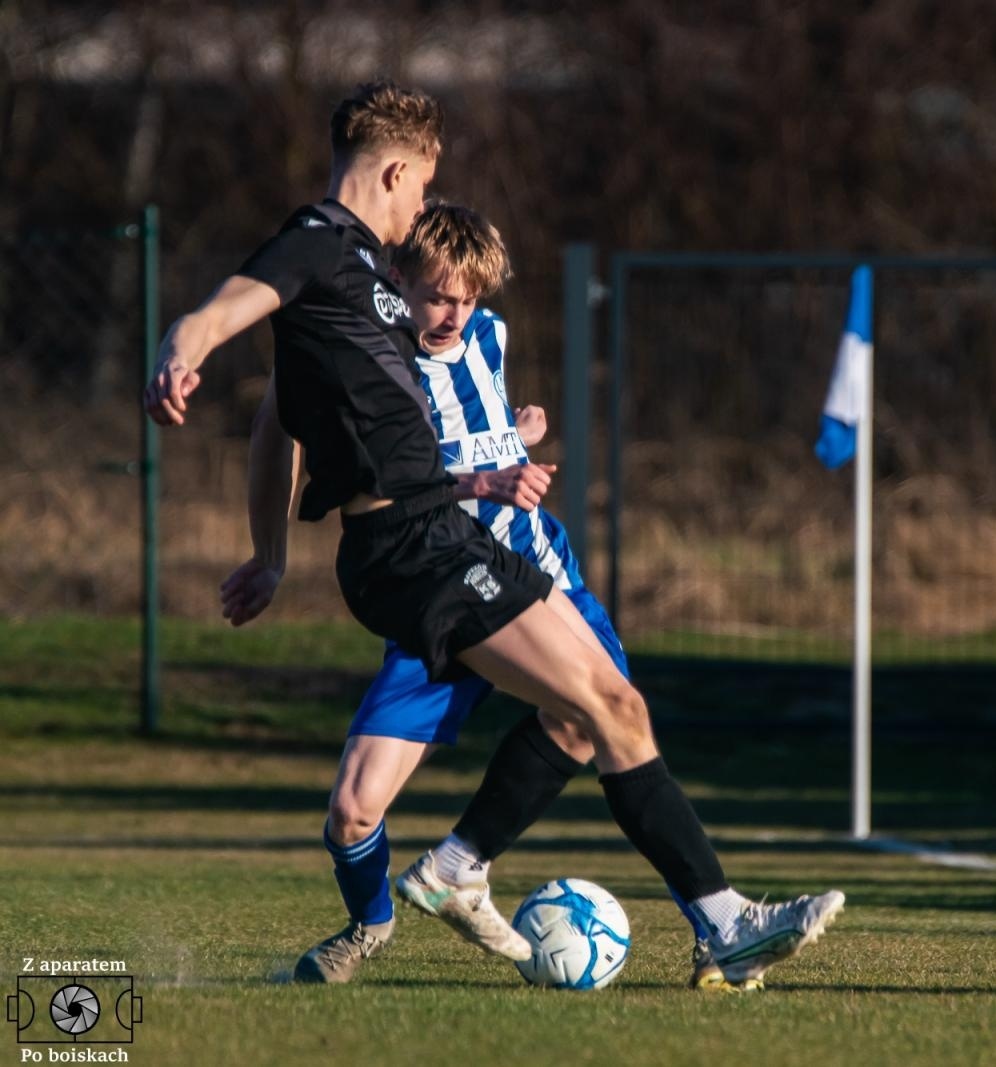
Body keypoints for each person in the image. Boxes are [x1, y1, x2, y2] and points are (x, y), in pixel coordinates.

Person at [145, 79, 844, 990]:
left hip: (435, 541)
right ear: (395, 170)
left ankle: (690, 915)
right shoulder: (318, 245)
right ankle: (718, 919)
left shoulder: (369, 279)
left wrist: (275, 556)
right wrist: (183, 344)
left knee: (606, 708)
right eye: (422, 188)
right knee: (603, 707)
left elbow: (287, 419)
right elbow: (231, 304)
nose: (424, 206)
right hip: (413, 548)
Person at [223, 202, 735, 988]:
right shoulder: (374, 360)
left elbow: (477, 423)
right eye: (436, 295)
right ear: (397, 281)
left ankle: (707, 925)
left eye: (467, 298)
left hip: (522, 578)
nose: (451, 314)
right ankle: (371, 924)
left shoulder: (488, 336)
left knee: (602, 714)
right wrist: (274, 554)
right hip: (436, 585)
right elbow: (384, 470)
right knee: (352, 811)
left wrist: (513, 434)